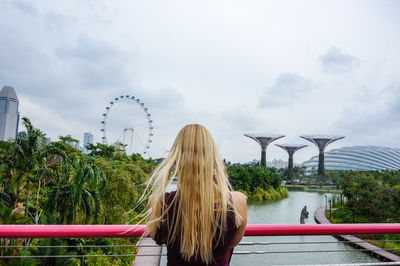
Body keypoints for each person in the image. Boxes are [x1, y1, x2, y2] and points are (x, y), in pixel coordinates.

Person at [144, 124, 247, 266]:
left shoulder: (157, 203)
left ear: (176, 159)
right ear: (213, 159)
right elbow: (231, 243)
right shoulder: (237, 202)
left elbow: (158, 239)